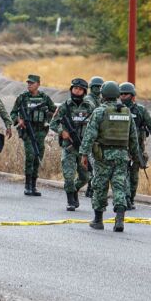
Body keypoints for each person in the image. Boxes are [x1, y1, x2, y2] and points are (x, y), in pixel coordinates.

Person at [79, 81, 140, 231]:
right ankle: (119, 220)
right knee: (120, 186)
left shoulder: (100, 112)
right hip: (121, 156)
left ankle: (98, 220)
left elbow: (89, 134)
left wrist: (84, 153)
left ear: (103, 95)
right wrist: (134, 154)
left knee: (100, 185)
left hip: (103, 156)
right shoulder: (126, 112)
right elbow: (133, 137)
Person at [51, 77, 95, 211]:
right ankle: (70, 199)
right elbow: (53, 123)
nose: (77, 91)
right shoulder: (65, 106)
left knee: (85, 177)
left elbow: (96, 125)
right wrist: (62, 131)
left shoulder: (90, 107)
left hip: (84, 149)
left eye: (80, 89)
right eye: (75, 88)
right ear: (71, 89)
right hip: (69, 147)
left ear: (84, 92)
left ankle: (74, 190)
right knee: (69, 176)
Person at [10, 74, 57, 197]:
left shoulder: (44, 98)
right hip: (28, 131)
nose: (29, 84)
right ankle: (27, 185)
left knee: (38, 157)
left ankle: (34, 185)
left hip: (41, 131)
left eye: (32, 83)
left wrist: (49, 116)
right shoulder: (22, 98)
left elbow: (55, 111)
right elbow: (13, 113)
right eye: (28, 83)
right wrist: (18, 120)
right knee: (30, 156)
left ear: (38, 84)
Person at [118, 81, 151, 210]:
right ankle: (125, 198)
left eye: (126, 94)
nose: (123, 96)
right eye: (121, 94)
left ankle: (131, 198)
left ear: (132, 95)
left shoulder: (140, 110)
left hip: (137, 149)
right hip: (121, 148)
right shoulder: (116, 109)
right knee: (122, 175)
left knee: (134, 176)